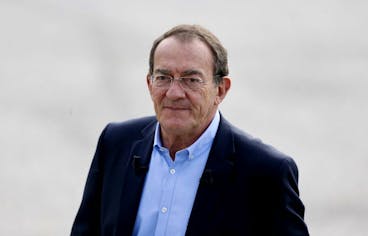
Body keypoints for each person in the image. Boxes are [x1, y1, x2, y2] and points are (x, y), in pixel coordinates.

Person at [71, 24, 309, 236]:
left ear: (220, 90)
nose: (174, 93)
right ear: (149, 83)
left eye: (191, 80)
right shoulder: (116, 143)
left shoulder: (266, 172)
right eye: (163, 77)